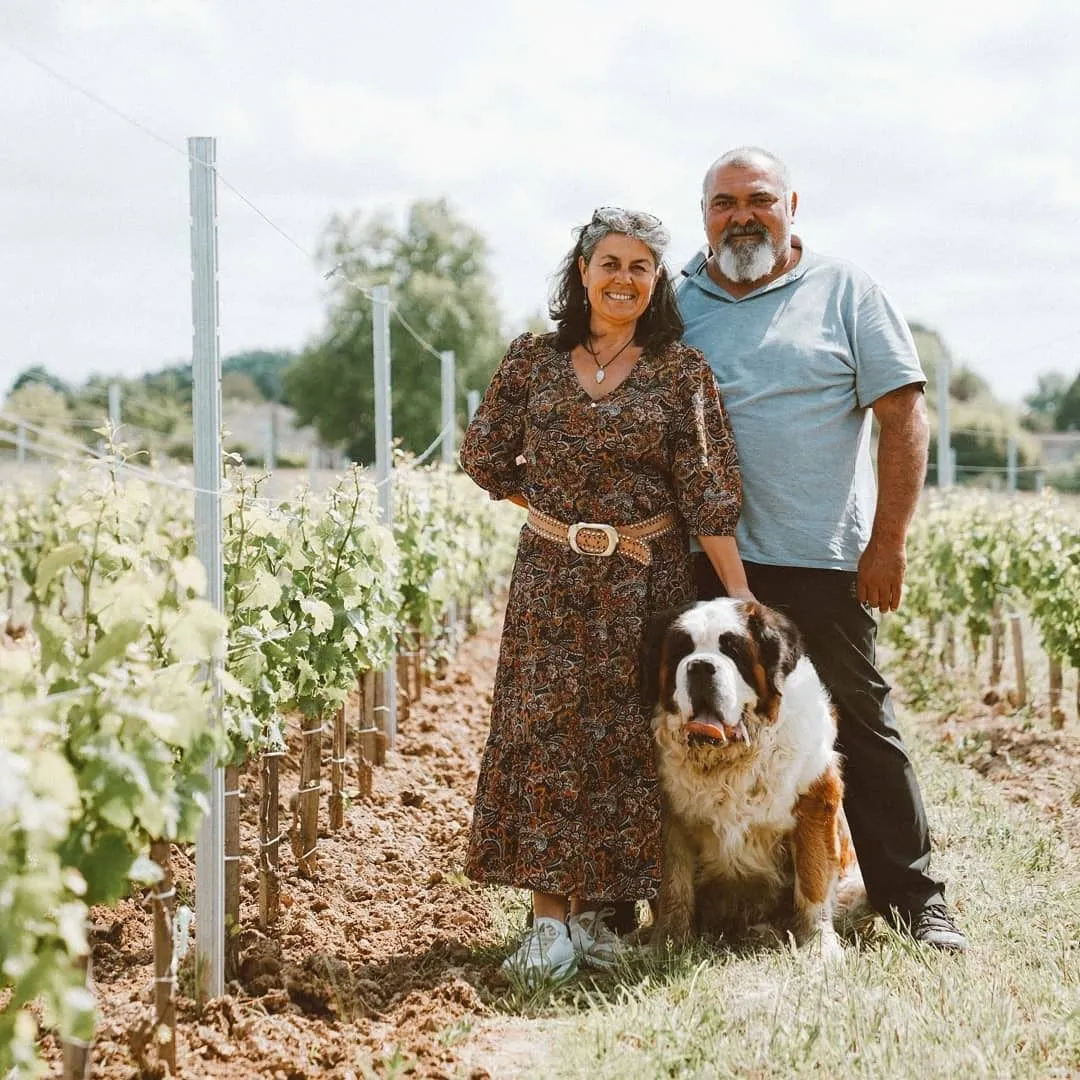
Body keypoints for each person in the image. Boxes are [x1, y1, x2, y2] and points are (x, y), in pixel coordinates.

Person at [676, 146, 967, 951]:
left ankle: (913, 899)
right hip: (703, 561)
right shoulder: (677, 302)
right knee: (683, 722)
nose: (742, 215)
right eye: (723, 202)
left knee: (860, 724)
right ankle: (671, 900)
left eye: (759, 199)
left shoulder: (847, 291)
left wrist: (889, 543)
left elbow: (904, 415)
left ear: (792, 205)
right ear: (704, 215)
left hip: (823, 560)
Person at [459, 207, 749, 985]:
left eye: (641, 267)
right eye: (610, 263)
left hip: (647, 581)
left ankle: (601, 918)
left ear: (656, 283)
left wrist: (739, 595)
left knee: (629, 741)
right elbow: (482, 455)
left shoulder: (680, 371)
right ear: (582, 271)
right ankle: (549, 923)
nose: (624, 278)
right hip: (552, 578)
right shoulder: (530, 362)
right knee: (544, 736)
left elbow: (709, 491)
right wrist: (557, 514)